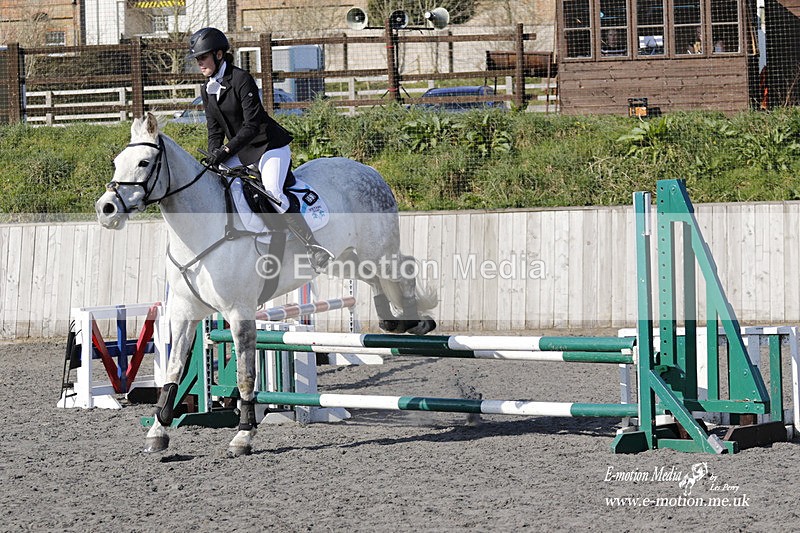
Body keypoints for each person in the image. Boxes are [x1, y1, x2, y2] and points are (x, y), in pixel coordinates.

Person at [186, 27, 333, 272]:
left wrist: (225, 151)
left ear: (219, 55)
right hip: (241, 151)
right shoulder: (207, 88)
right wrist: (214, 154)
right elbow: (214, 129)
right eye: (197, 59)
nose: (199, 63)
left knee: (273, 191)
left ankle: (312, 246)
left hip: (268, 146)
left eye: (203, 57)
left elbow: (252, 125)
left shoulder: (241, 79)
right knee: (215, 182)